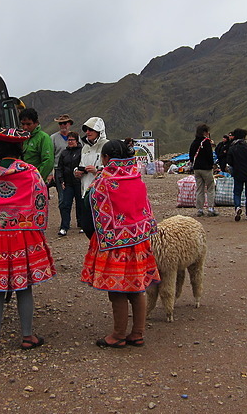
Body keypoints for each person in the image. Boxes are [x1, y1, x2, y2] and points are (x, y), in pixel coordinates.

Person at [0, 128, 56, 355]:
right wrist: (34, 225)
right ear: (21, 149)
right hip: (22, 236)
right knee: (24, 288)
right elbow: (41, 203)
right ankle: (27, 336)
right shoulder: (31, 173)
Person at [80, 139, 160, 348]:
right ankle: (137, 332)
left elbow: (89, 216)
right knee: (136, 287)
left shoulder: (102, 182)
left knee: (117, 290)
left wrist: (94, 237)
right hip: (139, 242)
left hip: (114, 244)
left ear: (106, 158)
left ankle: (118, 335)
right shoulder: (137, 177)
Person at [74, 117, 108, 232]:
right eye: (86, 130)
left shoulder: (107, 146)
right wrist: (77, 172)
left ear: (99, 131)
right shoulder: (85, 148)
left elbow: (112, 169)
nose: (87, 132)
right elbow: (81, 164)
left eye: (91, 130)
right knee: (88, 224)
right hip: (86, 189)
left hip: (102, 191)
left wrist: (97, 171)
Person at [55, 131, 84, 237]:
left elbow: (83, 165)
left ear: (77, 140)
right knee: (65, 204)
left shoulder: (82, 152)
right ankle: (64, 226)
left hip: (78, 182)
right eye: (69, 140)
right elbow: (60, 168)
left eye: (72, 140)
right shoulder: (64, 153)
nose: (70, 142)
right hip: (67, 183)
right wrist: (61, 180)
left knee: (80, 204)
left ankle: (81, 224)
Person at [226, 128, 247, 222]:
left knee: (237, 192)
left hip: (238, 172)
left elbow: (229, 161)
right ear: (244, 136)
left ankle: (237, 207)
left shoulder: (232, 148)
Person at [19, 108, 54, 182]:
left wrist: (37, 178)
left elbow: (48, 161)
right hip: (22, 180)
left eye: (28, 124)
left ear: (36, 123)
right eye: (23, 124)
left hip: (36, 181)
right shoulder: (20, 137)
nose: (25, 127)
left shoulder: (43, 138)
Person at [189, 124, 217, 217]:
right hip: (206, 168)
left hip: (197, 168)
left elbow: (191, 155)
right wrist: (212, 165)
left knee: (199, 189)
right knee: (210, 187)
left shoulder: (194, 142)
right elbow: (209, 156)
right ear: (205, 132)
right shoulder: (206, 142)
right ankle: (210, 208)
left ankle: (200, 209)